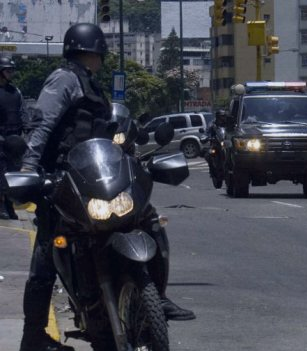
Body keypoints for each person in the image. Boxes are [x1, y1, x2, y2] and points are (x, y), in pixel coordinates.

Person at [19, 23, 194, 351]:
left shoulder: (91, 84)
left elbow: (105, 133)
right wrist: (29, 169)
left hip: (95, 175)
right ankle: (33, 336)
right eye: (99, 53)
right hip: (63, 179)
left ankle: (157, 294)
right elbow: (42, 125)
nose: (100, 59)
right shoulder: (65, 79)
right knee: (47, 254)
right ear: (94, 51)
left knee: (147, 217)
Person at [0, 56, 27, 220]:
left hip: (14, 139)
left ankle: (10, 204)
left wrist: (28, 127)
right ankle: (2, 205)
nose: (11, 73)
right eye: (8, 70)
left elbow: (23, 112)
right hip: (0, 139)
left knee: (13, 174)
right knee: (1, 173)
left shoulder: (16, 92)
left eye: (12, 70)